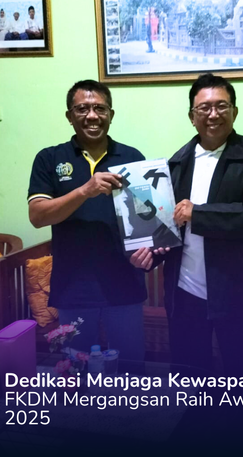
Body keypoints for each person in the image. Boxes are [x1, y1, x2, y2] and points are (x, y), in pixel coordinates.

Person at [131, 73, 243, 376]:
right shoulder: (175, 164)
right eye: (204, 108)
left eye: (221, 106)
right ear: (192, 116)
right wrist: (149, 253)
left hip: (238, 294)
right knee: (189, 376)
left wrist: (198, 214)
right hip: (185, 294)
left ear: (234, 111)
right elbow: (166, 227)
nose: (213, 114)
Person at [27, 80, 147, 359]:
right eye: (82, 109)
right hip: (73, 288)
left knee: (129, 370)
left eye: (100, 109)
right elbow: (37, 216)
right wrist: (85, 190)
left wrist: (151, 249)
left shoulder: (132, 157)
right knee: (75, 369)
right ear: (69, 116)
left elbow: (146, 217)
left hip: (125, 284)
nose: (92, 116)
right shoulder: (49, 158)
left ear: (111, 115)